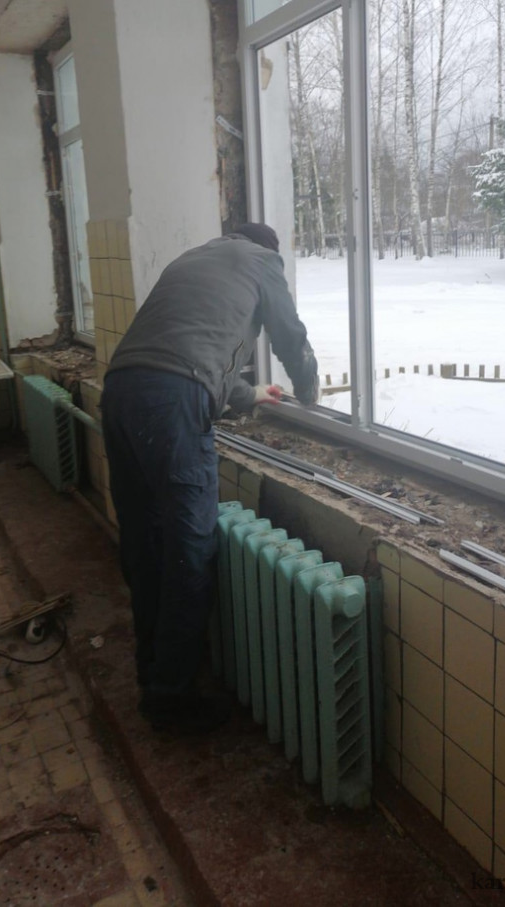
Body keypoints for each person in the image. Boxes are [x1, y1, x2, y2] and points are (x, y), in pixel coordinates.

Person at [100, 223, 319, 734]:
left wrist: (251, 394)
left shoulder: (194, 258)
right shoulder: (263, 261)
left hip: (120, 392)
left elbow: (188, 353)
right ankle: (170, 697)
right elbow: (289, 333)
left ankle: (151, 670)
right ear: (268, 249)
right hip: (170, 405)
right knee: (189, 549)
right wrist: (309, 389)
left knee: (145, 543)